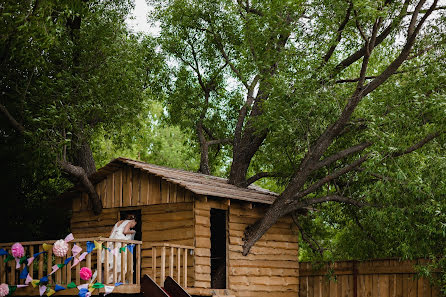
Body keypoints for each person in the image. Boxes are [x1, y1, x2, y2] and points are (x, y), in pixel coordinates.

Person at [99, 214, 137, 283]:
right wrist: (132, 232)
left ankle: (109, 279)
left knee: (112, 260)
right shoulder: (129, 222)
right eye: (134, 224)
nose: (133, 226)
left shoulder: (118, 223)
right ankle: (117, 279)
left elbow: (111, 233)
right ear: (133, 221)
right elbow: (125, 231)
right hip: (119, 242)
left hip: (112, 242)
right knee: (120, 261)